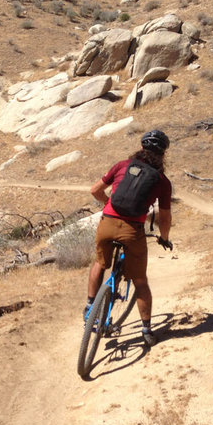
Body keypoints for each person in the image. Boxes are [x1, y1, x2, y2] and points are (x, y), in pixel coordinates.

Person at [85, 130, 173, 347]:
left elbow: (95, 190)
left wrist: (107, 204)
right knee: (140, 281)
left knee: (99, 263)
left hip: (107, 223)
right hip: (132, 231)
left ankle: (89, 307)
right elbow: (164, 217)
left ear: (141, 148)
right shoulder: (162, 181)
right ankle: (146, 330)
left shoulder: (122, 165)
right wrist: (164, 238)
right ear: (163, 154)